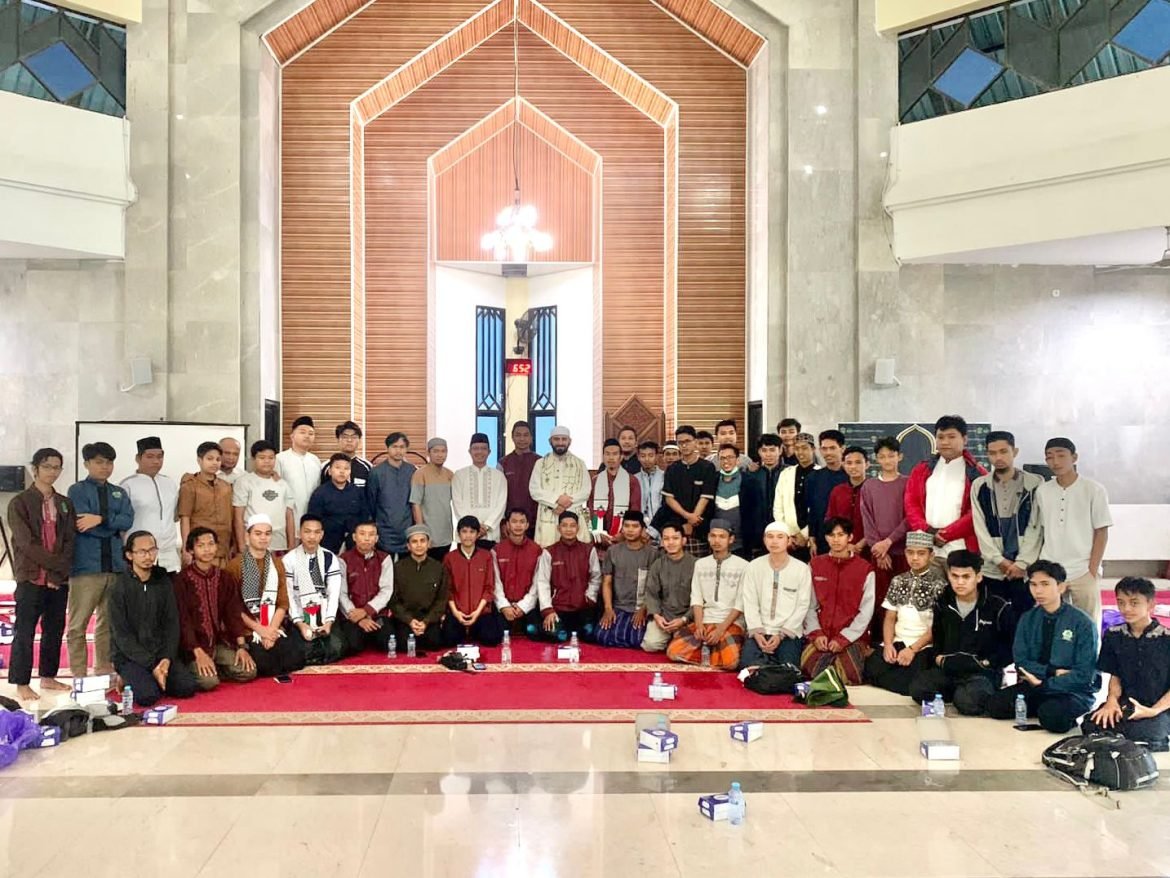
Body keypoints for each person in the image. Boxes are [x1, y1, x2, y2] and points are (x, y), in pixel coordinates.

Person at [987, 560, 1098, 732]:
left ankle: (1053, 710)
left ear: (1061, 587)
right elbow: (1021, 662)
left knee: (1053, 717)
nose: (1038, 591)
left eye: (1045, 584)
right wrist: (1051, 672)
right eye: (1033, 584)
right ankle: (1045, 706)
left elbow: (1084, 674)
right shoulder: (1027, 619)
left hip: (1071, 689)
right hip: (1034, 683)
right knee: (995, 705)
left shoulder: (1082, 623)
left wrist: (1046, 684)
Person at [908, 549, 1015, 715]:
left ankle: (963, 694)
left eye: (966, 577)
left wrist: (987, 663)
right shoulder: (942, 602)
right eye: (955, 576)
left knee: (969, 703)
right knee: (918, 688)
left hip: (981, 672)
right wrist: (938, 658)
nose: (960, 582)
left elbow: (1009, 646)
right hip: (949, 670)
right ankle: (957, 693)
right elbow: (938, 637)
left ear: (978, 577)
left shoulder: (997, 606)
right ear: (948, 576)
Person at [7, 448, 75, 701]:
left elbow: (69, 541)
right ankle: (21, 682)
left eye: (57, 467)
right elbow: (26, 543)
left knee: (54, 629)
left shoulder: (65, 503)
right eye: (47, 466)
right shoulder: (20, 503)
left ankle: (48, 676)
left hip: (58, 580)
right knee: (24, 631)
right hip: (31, 576)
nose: (52, 472)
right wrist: (54, 566)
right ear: (35, 469)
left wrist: (58, 572)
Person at [67, 441, 134, 679]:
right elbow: (83, 524)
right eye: (99, 462)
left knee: (108, 622)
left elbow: (127, 520)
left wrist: (101, 519)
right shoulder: (77, 490)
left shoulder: (118, 492)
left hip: (115, 565)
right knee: (78, 624)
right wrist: (110, 524)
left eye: (109, 462)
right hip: (87, 566)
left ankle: (103, 667)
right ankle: (78, 674)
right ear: (86, 464)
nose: (105, 467)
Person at [107, 531, 199, 706]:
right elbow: (121, 635)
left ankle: (151, 677)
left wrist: (166, 659)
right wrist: (152, 665)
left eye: (152, 550)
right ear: (129, 555)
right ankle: (128, 676)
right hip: (131, 657)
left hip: (160, 653)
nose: (148, 556)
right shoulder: (118, 586)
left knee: (187, 687)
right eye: (142, 552)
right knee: (148, 697)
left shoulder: (163, 581)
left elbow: (172, 624)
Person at [1082, 577, 1170, 751]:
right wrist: (1111, 701)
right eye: (1121, 602)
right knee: (1091, 724)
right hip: (1127, 704)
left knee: (1150, 731)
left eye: (1134, 603)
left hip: (1160, 706)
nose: (1126, 609)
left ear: (1151, 605)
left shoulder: (1166, 638)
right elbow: (1115, 675)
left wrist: (1153, 711)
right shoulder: (1114, 635)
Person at [1034, 437, 1112, 623]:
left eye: (1061, 455)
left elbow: (1101, 532)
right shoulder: (1042, 491)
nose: (1055, 461)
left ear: (1074, 457)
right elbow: (1042, 531)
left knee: (1088, 622)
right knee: (1050, 621)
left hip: (1083, 569)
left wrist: (1092, 569)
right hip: (1051, 568)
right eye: (1050, 457)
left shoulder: (1094, 489)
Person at [173, 528, 257, 691]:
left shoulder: (224, 577)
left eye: (211, 544)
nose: (207, 549)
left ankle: (215, 667)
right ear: (191, 550)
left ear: (217, 547)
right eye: (201, 545)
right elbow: (183, 620)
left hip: (218, 643)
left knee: (249, 671)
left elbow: (233, 613)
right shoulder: (181, 580)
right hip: (193, 648)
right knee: (209, 682)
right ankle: (197, 669)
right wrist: (197, 652)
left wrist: (241, 647)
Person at [863, 531, 946, 696]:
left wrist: (912, 650)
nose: (914, 558)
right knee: (870, 668)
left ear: (931, 556)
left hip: (923, 646)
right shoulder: (898, 580)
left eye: (921, 553)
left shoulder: (940, 585)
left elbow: (937, 627)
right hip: (898, 641)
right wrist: (888, 645)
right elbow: (890, 617)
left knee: (915, 679)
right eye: (910, 552)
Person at [970, 430, 1043, 619]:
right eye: (992, 453)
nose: (998, 457)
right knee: (992, 619)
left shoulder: (1035, 483)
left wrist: (1022, 563)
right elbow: (980, 527)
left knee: (1025, 618)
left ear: (1015, 451)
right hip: (992, 568)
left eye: (1003, 451)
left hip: (1024, 569)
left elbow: (1036, 527)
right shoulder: (979, 486)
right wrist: (998, 560)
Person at [224, 513, 305, 677]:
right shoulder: (234, 566)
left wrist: (271, 630)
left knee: (296, 660)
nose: (263, 538)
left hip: (273, 626)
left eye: (267, 534)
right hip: (249, 630)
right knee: (266, 665)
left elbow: (283, 603)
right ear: (247, 536)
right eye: (258, 533)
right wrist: (261, 630)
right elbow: (234, 609)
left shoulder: (277, 563)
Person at [801, 517, 875, 684]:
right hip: (821, 635)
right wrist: (816, 633)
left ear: (850, 537)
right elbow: (809, 604)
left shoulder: (865, 569)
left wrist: (844, 638)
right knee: (809, 668)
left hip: (852, 636)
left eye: (841, 535)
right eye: (831, 535)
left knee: (848, 674)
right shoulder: (815, 565)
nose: (836, 539)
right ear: (826, 538)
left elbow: (866, 611)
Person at [905, 415, 986, 565]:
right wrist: (929, 532)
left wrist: (946, 535)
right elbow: (911, 504)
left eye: (951, 437)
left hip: (961, 549)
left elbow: (978, 511)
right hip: (925, 547)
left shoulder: (978, 474)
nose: (945, 442)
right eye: (940, 437)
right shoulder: (921, 470)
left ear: (965, 439)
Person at [667, 519, 748, 668]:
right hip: (705, 620)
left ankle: (710, 650)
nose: (717, 541)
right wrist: (699, 625)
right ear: (708, 538)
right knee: (673, 651)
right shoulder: (700, 564)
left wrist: (720, 630)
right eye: (713, 536)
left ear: (731, 539)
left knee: (731, 662)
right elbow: (697, 598)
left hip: (730, 623)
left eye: (722, 536)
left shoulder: (743, 566)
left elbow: (740, 604)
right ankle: (712, 650)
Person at [739, 522, 812, 670]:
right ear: (764, 540)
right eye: (770, 536)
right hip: (760, 631)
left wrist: (781, 635)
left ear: (788, 540)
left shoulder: (801, 569)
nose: (774, 541)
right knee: (748, 669)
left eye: (780, 537)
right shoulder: (753, 566)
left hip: (787, 633)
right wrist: (757, 632)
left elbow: (803, 605)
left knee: (788, 670)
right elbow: (749, 601)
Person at [860, 436, 910, 641]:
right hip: (878, 555)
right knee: (879, 598)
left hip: (904, 553)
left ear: (900, 457)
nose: (887, 460)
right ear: (876, 459)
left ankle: (902, 640)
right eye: (882, 456)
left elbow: (910, 517)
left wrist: (889, 542)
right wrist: (879, 551)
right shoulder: (869, 486)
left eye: (891, 455)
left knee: (904, 598)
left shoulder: (908, 483)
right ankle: (879, 642)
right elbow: (867, 519)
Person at [283, 514, 346, 664]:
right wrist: (300, 623)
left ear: (322, 534)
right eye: (307, 531)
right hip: (299, 617)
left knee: (338, 647)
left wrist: (329, 621)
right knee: (300, 651)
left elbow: (333, 592)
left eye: (317, 532)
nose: (312, 537)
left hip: (324, 616)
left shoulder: (330, 558)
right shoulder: (289, 559)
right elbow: (289, 595)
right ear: (299, 533)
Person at [653, 425, 718, 558]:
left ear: (695, 442)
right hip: (676, 527)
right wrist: (688, 516)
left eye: (687, 441)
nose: (684, 445)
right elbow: (669, 498)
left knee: (698, 566)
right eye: (680, 442)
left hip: (699, 529)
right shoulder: (673, 469)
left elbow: (705, 497)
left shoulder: (707, 467)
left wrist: (692, 521)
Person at [535, 510, 601, 641]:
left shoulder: (588, 550)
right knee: (557, 636)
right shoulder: (549, 552)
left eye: (572, 525)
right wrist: (548, 610)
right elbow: (542, 582)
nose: (568, 529)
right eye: (564, 525)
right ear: (558, 528)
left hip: (582, 607)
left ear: (578, 528)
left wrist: (590, 597)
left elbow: (596, 576)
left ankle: (576, 631)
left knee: (591, 635)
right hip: (558, 608)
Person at [596, 511, 657, 648]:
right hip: (619, 607)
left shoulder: (652, 554)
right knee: (601, 636)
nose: (630, 530)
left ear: (643, 529)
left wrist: (643, 609)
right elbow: (607, 582)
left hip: (641, 607)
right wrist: (608, 609)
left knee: (636, 640)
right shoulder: (613, 551)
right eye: (627, 526)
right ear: (622, 528)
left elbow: (654, 587)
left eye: (635, 526)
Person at [441, 516, 505, 645]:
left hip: (480, 611)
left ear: (477, 534)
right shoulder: (449, 558)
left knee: (492, 639)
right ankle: (466, 630)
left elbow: (489, 588)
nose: (468, 536)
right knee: (449, 639)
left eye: (472, 532)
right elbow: (447, 589)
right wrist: (456, 613)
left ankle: (472, 630)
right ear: (458, 534)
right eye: (464, 531)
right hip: (458, 612)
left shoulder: (486, 556)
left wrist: (477, 612)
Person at [120, 436, 180, 572]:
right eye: (150, 457)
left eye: (160, 457)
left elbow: (175, 516)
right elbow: (121, 525)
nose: (156, 461)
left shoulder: (169, 483)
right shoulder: (127, 485)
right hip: (141, 555)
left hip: (169, 554)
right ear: (138, 458)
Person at [387, 524, 448, 653]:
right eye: (414, 542)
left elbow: (441, 600)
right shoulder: (398, 568)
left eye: (422, 541)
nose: (419, 545)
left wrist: (426, 621)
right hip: (406, 618)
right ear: (408, 546)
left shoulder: (438, 568)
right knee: (403, 645)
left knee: (435, 643)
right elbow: (393, 601)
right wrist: (409, 620)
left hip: (428, 618)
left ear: (429, 544)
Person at [337, 521, 395, 654]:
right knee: (354, 645)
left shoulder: (385, 558)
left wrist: (367, 611)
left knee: (387, 642)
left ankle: (371, 634)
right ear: (354, 537)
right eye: (362, 534)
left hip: (377, 613)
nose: (367, 538)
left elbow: (386, 590)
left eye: (371, 534)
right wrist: (359, 617)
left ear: (376, 538)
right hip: (353, 614)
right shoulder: (343, 559)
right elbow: (341, 593)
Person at [529, 425, 592, 547]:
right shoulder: (540, 464)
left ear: (569, 441)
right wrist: (556, 501)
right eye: (556, 439)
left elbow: (586, 491)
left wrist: (565, 504)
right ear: (550, 441)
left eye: (564, 439)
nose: (560, 443)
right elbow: (534, 490)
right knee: (548, 552)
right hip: (548, 515)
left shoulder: (580, 464)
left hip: (573, 514)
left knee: (574, 554)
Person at [640, 523, 697, 653]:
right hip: (664, 617)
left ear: (684, 541)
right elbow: (651, 594)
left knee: (684, 648)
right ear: (662, 542)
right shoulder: (658, 565)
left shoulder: (696, 565)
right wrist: (657, 616)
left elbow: (700, 600)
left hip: (688, 618)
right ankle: (671, 639)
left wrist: (684, 619)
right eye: (666, 539)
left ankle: (675, 640)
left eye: (675, 538)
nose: (670, 543)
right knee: (650, 645)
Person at [233, 440, 297, 553]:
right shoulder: (244, 482)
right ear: (253, 459)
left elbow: (289, 516)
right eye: (262, 458)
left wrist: (291, 546)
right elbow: (238, 516)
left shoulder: (283, 484)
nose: (267, 461)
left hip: (279, 544)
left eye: (271, 458)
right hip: (252, 545)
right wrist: (241, 545)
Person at [178, 442, 234, 564]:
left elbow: (231, 518)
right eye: (210, 459)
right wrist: (186, 548)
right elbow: (185, 518)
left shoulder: (226, 487)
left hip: (222, 548)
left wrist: (232, 545)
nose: (214, 463)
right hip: (199, 549)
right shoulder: (190, 486)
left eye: (218, 459)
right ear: (199, 460)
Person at [492, 507, 544, 634]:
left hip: (528, 606)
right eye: (514, 521)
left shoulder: (537, 550)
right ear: (507, 525)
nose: (518, 525)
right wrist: (504, 606)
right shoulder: (496, 550)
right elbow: (495, 582)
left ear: (527, 525)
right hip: (504, 606)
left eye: (522, 522)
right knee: (495, 635)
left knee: (535, 633)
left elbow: (537, 583)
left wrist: (523, 606)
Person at [452, 432, 508, 549]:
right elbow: (457, 503)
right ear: (470, 451)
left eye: (483, 448)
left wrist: (487, 526)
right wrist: (473, 527)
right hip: (466, 535)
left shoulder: (499, 476)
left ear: (489, 452)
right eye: (476, 448)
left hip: (491, 535)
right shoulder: (459, 475)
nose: (479, 452)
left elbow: (501, 504)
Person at [308, 453, 368, 553]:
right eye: (338, 467)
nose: (342, 471)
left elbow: (364, 517)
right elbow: (313, 521)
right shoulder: (320, 493)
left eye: (346, 468)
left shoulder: (357, 492)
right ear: (330, 471)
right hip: (327, 542)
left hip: (354, 543)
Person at [367, 431, 415, 557]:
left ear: (406, 449)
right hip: (384, 530)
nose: (398, 451)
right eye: (394, 446)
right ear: (387, 448)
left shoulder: (412, 471)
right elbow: (371, 501)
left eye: (402, 447)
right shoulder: (376, 472)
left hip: (407, 528)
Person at [773, 432, 818, 561]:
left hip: (813, 538)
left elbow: (820, 510)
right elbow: (778, 507)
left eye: (804, 448)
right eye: (797, 448)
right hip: (789, 539)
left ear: (813, 449)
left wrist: (804, 535)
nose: (800, 452)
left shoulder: (821, 473)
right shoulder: (786, 473)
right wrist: (788, 534)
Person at [589, 438, 643, 546]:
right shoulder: (595, 481)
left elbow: (635, 511)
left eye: (614, 454)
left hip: (625, 538)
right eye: (607, 454)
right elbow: (590, 509)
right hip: (599, 538)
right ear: (603, 456)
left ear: (621, 457)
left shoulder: (632, 481)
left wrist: (623, 533)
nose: (611, 458)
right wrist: (597, 533)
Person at [740, 433, 784, 559]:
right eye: (764, 450)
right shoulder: (751, 475)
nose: (768, 454)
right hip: (756, 531)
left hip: (781, 528)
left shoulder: (789, 472)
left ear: (780, 450)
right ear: (759, 452)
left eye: (772, 450)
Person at [410, 437, 455, 560]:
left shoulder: (450, 474)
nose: (440, 455)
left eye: (443, 451)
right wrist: (421, 532)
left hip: (446, 532)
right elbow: (415, 504)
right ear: (428, 453)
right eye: (436, 451)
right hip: (428, 532)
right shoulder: (420, 474)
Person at [806, 430, 849, 556]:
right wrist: (812, 537)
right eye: (824, 449)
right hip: (822, 538)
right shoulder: (813, 477)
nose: (828, 452)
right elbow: (812, 510)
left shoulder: (851, 476)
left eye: (832, 448)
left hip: (848, 538)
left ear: (842, 449)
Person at [275, 415, 323, 522]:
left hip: (312, 516)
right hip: (288, 516)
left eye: (311, 433)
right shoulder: (280, 459)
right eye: (302, 432)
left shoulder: (315, 460)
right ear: (292, 436)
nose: (307, 436)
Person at [498, 421, 541, 537]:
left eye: (526, 435)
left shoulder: (540, 462)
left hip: (535, 522)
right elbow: (499, 495)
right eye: (518, 435)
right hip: (510, 524)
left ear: (531, 438)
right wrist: (503, 521)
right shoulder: (503, 463)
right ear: (512, 437)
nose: (522, 439)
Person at [826, 445, 868, 557]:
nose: (853, 467)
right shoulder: (837, 491)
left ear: (867, 464)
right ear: (843, 465)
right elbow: (831, 520)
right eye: (849, 463)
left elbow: (878, 523)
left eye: (858, 462)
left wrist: (861, 544)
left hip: (870, 548)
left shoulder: (874, 489)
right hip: (842, 549)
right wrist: (844, 543)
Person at [713, 444, 746, 556]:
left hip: (741, 543)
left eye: (730, 457)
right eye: (722, 458)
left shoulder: (749, 480)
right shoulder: (712, 480)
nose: (726, 461)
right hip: (717, 542)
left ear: (738, 459)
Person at [323, 420, 373, 487]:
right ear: (338, 440)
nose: (349, 440)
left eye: (354, 437)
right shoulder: (327, 467)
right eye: (345, 437)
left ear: (359, 440)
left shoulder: (367, 467)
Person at [635, 441, 664, 539]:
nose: (647, 459)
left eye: (651, 455)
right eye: (643, 456)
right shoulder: (634, 479)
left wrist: (653, 529)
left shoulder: (665, 477)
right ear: (638, 457)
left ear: (657, 456)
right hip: (640, 530)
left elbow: (666, 506)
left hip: (661, 528)